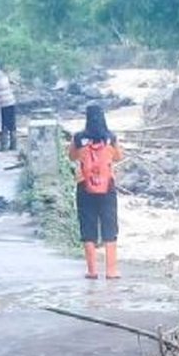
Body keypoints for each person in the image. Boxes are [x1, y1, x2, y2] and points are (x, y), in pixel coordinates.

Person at [68, 104, 123, 279]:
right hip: (107, 187)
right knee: (110, 227)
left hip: (84, 187)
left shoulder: (78, 138)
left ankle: (92, 271)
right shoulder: (110, 138)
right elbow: (118, 157)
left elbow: (71, 156)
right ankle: (111, 271)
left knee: (88, 227)